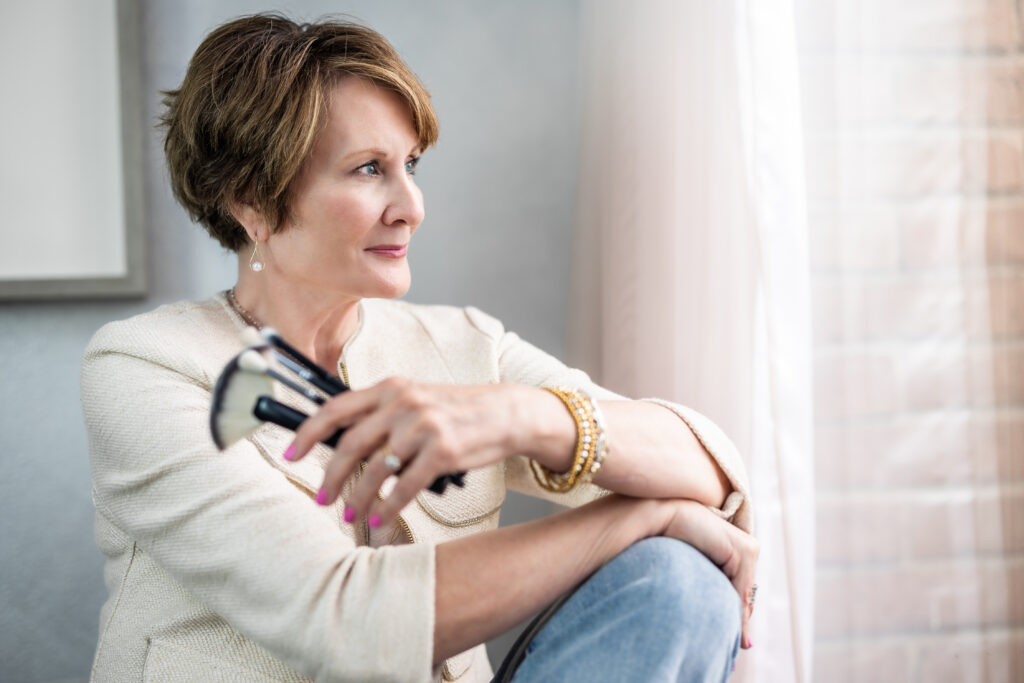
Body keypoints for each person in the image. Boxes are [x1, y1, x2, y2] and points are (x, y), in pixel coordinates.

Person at [81, 14, 758, 683]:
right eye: (369, 168)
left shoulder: (462, 346)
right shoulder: (147, 367)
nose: (411, 204)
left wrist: (521, 415)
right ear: (253, 201)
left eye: (410, 164)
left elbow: (709, 475)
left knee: (681, 583)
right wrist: (633, 520)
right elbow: (344, 621)